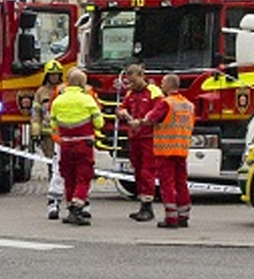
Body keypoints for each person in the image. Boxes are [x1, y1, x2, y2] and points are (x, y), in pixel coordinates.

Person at [50, 66, 103, 226]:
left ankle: (69, 206)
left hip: (65, 144)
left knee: (68, 177)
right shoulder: (88, 99)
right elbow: (99, 123)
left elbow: (53, 124)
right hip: (83, 144)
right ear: (82, 83)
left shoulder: (58, 100)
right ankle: (78, 207)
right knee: (83, 177)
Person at [115, 63, 165, 222]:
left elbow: (159, 113)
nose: (131, 84)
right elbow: (122, 108)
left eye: (134, 81)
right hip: (135, 137)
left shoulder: (153, 92)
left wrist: (142, 123)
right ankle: (143, 203)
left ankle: (147, 206)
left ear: (141, 76)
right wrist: (121, 112)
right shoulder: (131, 93)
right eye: (129, 81)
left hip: (149, 138)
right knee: (138, 171)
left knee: (147, 172)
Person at [152, 74, 196, 230]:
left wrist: (136, 121)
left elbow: (151, 119)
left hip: (165, 151)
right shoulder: (188, 105)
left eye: (162, 82)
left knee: (167, 184)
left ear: (169, 85)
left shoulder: (165, 103)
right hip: (181, 150)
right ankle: (183, 216)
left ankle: (171, 218)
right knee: (181, 183)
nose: (161, 85)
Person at [30, 60, 65, 220]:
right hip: (46, 132)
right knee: (51, 162)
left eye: (57, 74)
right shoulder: (41, 92)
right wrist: (35, 129)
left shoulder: (64, 90)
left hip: (62, 131)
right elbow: (36, 111)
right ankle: (54, 188)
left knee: (62, 163)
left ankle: (60, 188)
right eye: (51, 75)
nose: (54, 77)